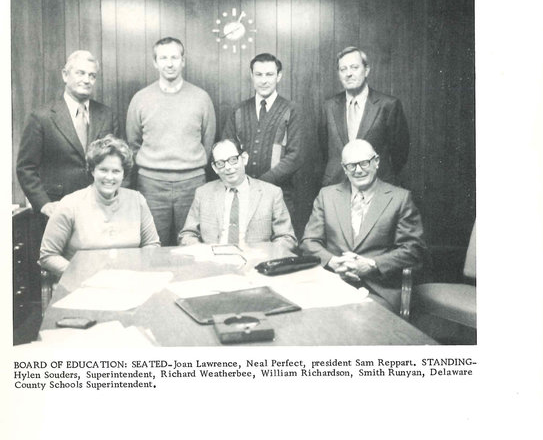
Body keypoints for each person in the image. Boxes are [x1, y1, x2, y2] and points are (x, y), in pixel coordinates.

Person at [300, 139, 425, 314]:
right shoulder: (327, 196)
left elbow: (413, 249)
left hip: (378, 290)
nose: (358, 170)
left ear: (376, 162)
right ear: (344, 169)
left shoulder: (400, 198)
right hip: (332, 284)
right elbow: (309, 242)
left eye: (364, 163)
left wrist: (372, 264)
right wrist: (333, 262)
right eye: (351, 166)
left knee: (356, 321)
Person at [126, 37, 216, 245]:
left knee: (192, 245)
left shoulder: (201, 98)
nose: (169, 63)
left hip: (192, 184)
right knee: (153, 245)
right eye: (163, 57)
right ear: (155, 62)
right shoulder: (141, 98)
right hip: (151, 185)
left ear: (183, 61)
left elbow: (208, 141)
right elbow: (133, 143)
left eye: (174, 57)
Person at [16, 50, 119, 217]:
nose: (86, 80)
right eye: (80, 73)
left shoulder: (106, 115)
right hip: (57, 210)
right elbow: (25, 168)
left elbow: (117, 162)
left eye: (92, 75)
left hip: (100, 208)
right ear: (65, 75)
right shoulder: (42, 116)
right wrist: (43, 204)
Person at [39, 136, 160, 276]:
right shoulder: (70, 204)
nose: (109, 177)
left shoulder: (137, 201)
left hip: (128, 282)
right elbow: (48, 256)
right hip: (82, 284)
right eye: (103, 170)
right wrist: (80, 273)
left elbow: (152, 245)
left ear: (123, 174)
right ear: (92, 171)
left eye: (116, 171)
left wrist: (136, 272)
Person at [222, 52, 303, 217]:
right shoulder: (238, 110)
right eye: (258, 74)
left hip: (279, 192)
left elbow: (296, 156)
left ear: (279, 76)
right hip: (241, 192)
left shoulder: (292, 110)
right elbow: (226, 150)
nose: (264, 80)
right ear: (251, 76)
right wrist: (244, 183)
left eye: (269, 74)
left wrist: (261, 183)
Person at [178, 138, 296, 251]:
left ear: (244, 158)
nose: (228, 167)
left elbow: (286, 238)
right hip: (213, 264)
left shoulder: (271, 193)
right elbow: (187, 235)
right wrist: (203, 250)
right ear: (215, 168)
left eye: (233, 160)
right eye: (221, 163)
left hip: (255, 264)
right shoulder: (203, 193)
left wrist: (264, 254)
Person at [321, 47, 409, 186]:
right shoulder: (329, 106)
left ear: (366, 70)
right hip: (336, 185)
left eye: (354, 67)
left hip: (377, 185)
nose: (348, 74)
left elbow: (400, 153)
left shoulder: (388, 105)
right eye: (343, 69)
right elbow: (324, 150)